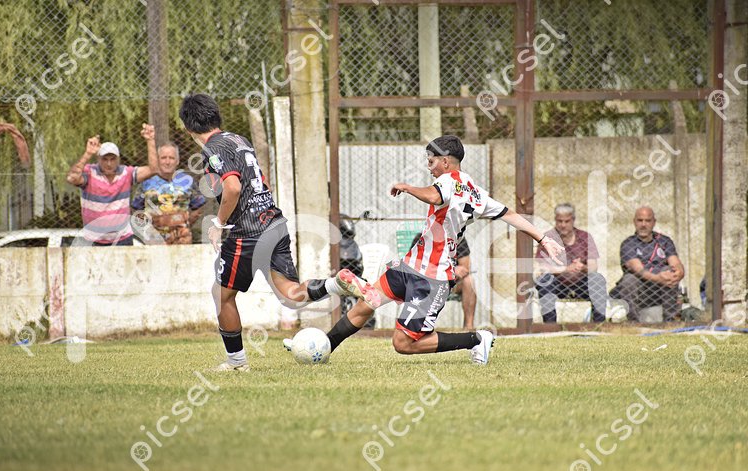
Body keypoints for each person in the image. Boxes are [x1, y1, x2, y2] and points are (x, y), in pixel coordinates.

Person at [290, 135, 563, 365]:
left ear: (445, 161)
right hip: (410, 266)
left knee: (403, 343)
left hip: (431, 278)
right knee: (366, 304)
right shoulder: (475, 191)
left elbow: (434, 195)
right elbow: (509, 213)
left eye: (431, 161)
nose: (429, 167)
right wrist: (542, 238)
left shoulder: (448, 180)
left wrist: (407, 187)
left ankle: (477, 339)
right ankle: (323, 348)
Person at [179, 93, 370, 372]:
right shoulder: (239, 140)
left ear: (188, 127)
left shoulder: (212, 148)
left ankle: (236, 362)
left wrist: (218, 224)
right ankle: (336, 284)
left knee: (221, 295)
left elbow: (232, 187)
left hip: (246, 232)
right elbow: (260, 179)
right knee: (290, 296)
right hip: (273, 222)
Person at [66, 124, 159, 246]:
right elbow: (72, 178)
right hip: (93, 240)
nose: (109, 163)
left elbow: (153, 169)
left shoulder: (126, 173)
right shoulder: (90, 172)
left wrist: (150, 140)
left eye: (112, 159)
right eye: (105, 159)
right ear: (98, 159)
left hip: (122, 239)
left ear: (118, 159)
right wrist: (87, 154)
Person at [534, 203, 607, 322]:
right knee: (544, 280)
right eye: (559, 221)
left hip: (581, 283)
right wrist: (566, 269)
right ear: (555, 220)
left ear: (573, 220)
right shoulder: (548, 238)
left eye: (567, 221)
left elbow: (593, 266)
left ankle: (599, 324)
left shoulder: (585, 237)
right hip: (557, 284)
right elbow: (543, 268)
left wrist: (582, 267)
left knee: (598, 279)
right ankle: (550, 326)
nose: (563, 225)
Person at [610, 206, 685, 321]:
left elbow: (675, 262)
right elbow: (638, 269)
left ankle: (669, 321)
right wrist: (658, 278)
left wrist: (679, 273)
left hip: (661, 290)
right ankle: (633, 323)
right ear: (634, 222)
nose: (643, 224)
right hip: (641, 291)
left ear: (654, 222)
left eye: (648, 221)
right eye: (640, 220)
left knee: (669, 272)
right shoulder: (628, 244)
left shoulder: (664, 241)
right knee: (629, 280)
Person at [131, 142, 206, 245]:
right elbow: (135, 209)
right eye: (163, 158)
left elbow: (199, 207)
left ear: (177, 161)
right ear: (157, 160)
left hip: (182, 239)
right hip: (153, 240)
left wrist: (184, 223)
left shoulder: (187, 181)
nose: (167, 162)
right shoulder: (146, 182)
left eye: (171, 158)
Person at [411, 232, 477, 329]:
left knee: (469, 280)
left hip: (451, 284)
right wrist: (451, 270)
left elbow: (465, 268)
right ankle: (417, 327)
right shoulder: (422, 238)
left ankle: (469, 328)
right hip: (429, 283)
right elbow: (415, 266)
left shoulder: (458, 239)